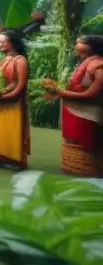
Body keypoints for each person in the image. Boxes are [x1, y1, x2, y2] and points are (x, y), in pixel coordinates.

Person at [43, 35, 103, 176]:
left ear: (90, 47)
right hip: (76, 111)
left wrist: (61, 92)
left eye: (80, 43)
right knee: (74, 141)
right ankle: (76, 167)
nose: (76, 45)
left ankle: (90, 169)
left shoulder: (98, 65)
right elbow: (77, 87)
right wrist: (58, 93)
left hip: (89, 112)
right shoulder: (86, 62)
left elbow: (92, 94)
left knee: (89, 142)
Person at [0, 29, 30, 169]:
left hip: (13, 102)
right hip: (0, 99)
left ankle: (15, 159)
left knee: (12, 129)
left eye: (3, 41)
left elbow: (20, 85)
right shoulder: (4, 60)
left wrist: (5, 95)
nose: (0, 44)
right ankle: (1, 156)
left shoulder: (20, 60)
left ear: (13, 43)